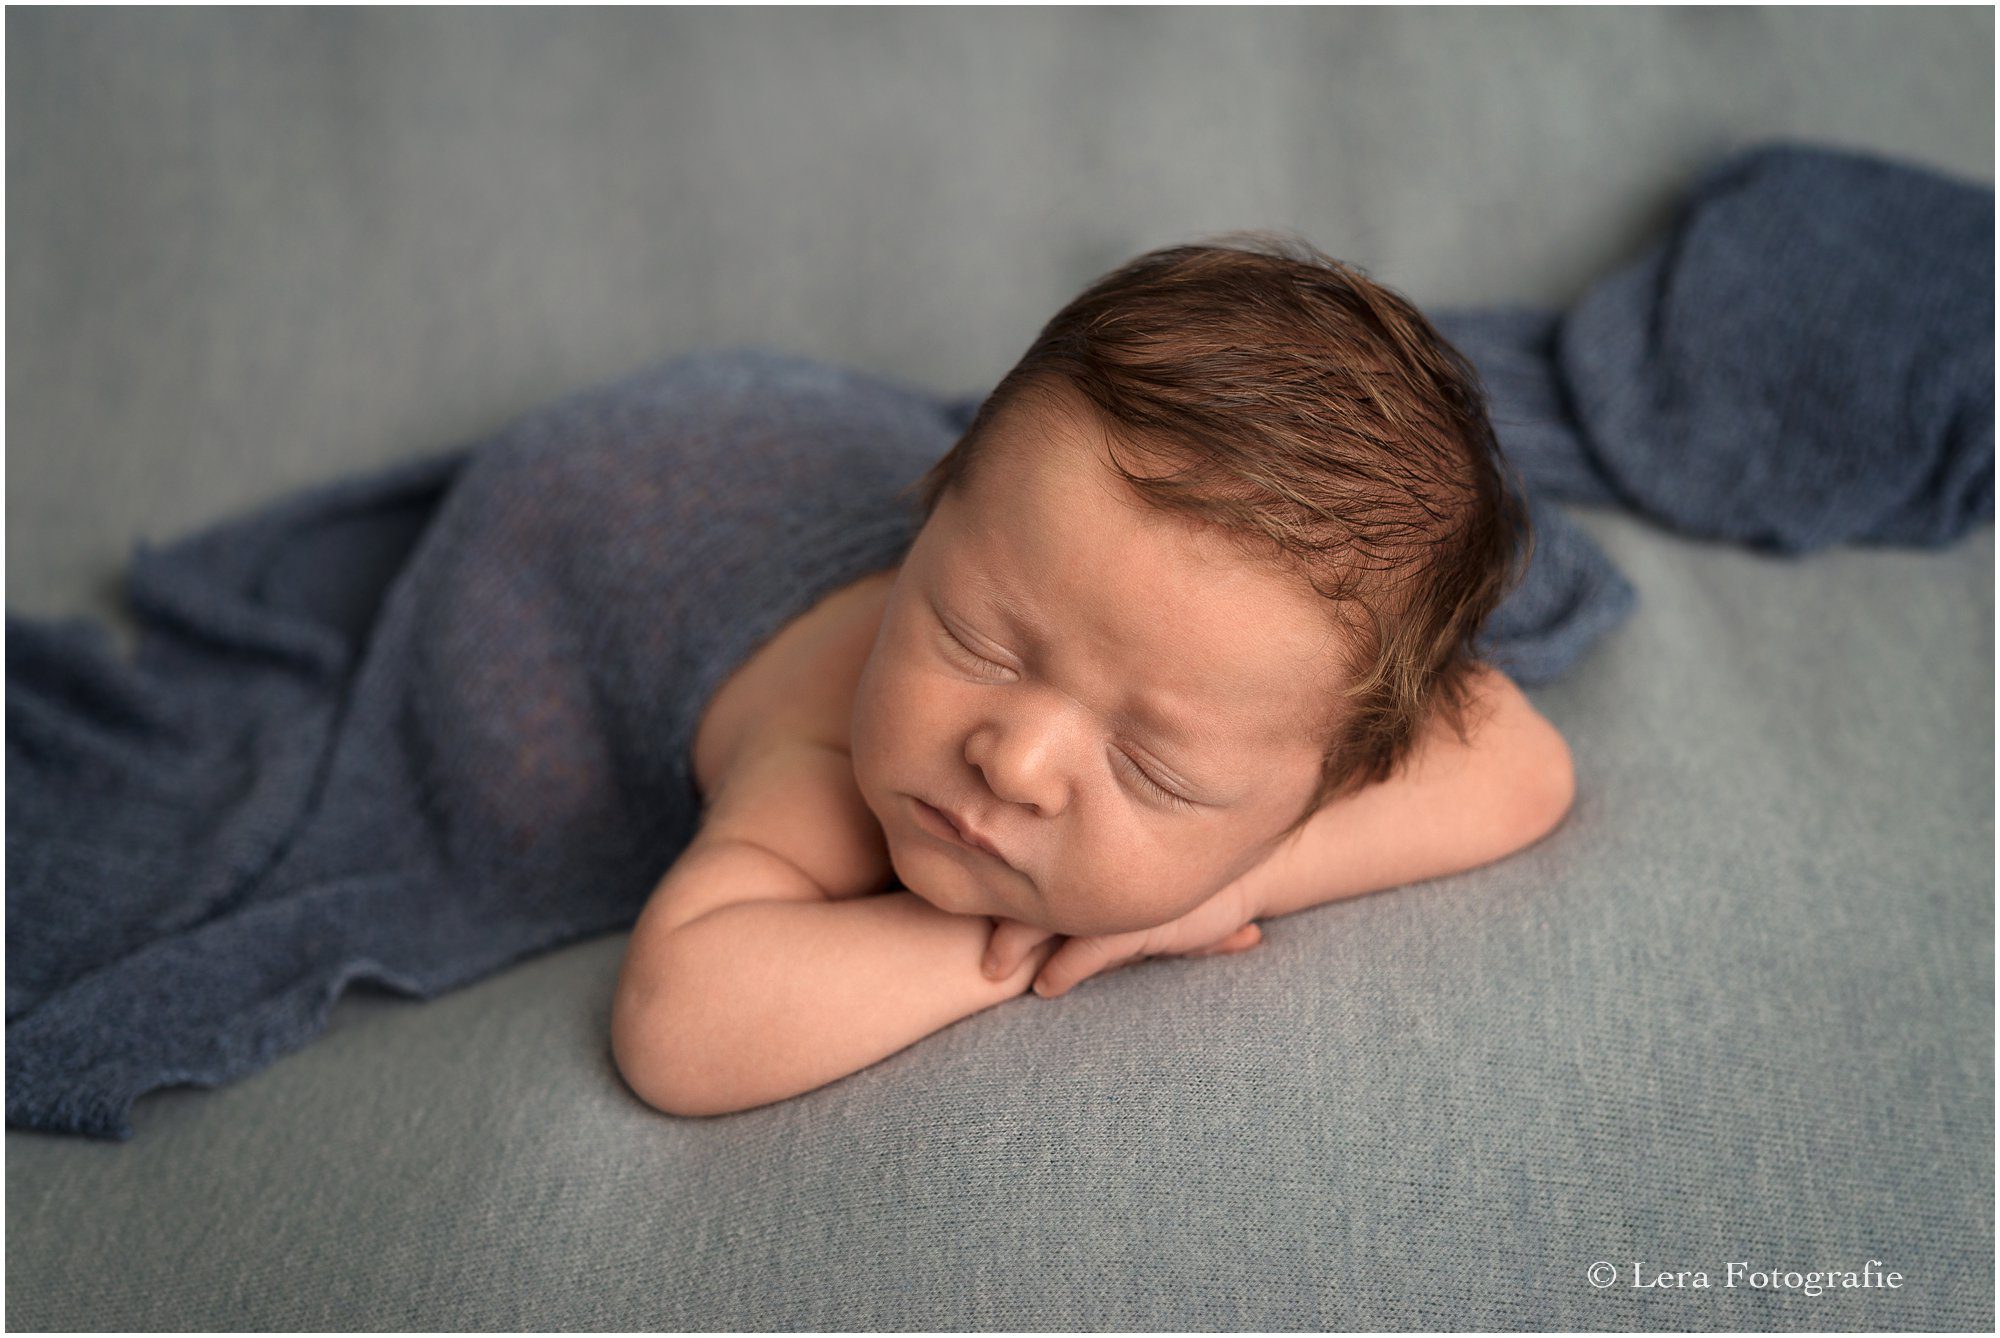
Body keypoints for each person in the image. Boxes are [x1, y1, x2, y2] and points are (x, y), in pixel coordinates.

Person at [610, 235, 1575, 1118]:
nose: (1015, 763)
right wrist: (1004, 942)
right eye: (975, 643)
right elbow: (677, 1030)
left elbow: (1522, 763)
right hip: (637, 516)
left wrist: (1241, 877)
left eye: (1153, 769)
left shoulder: (1240, 688)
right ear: (924, 539)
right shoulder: (824, 742)